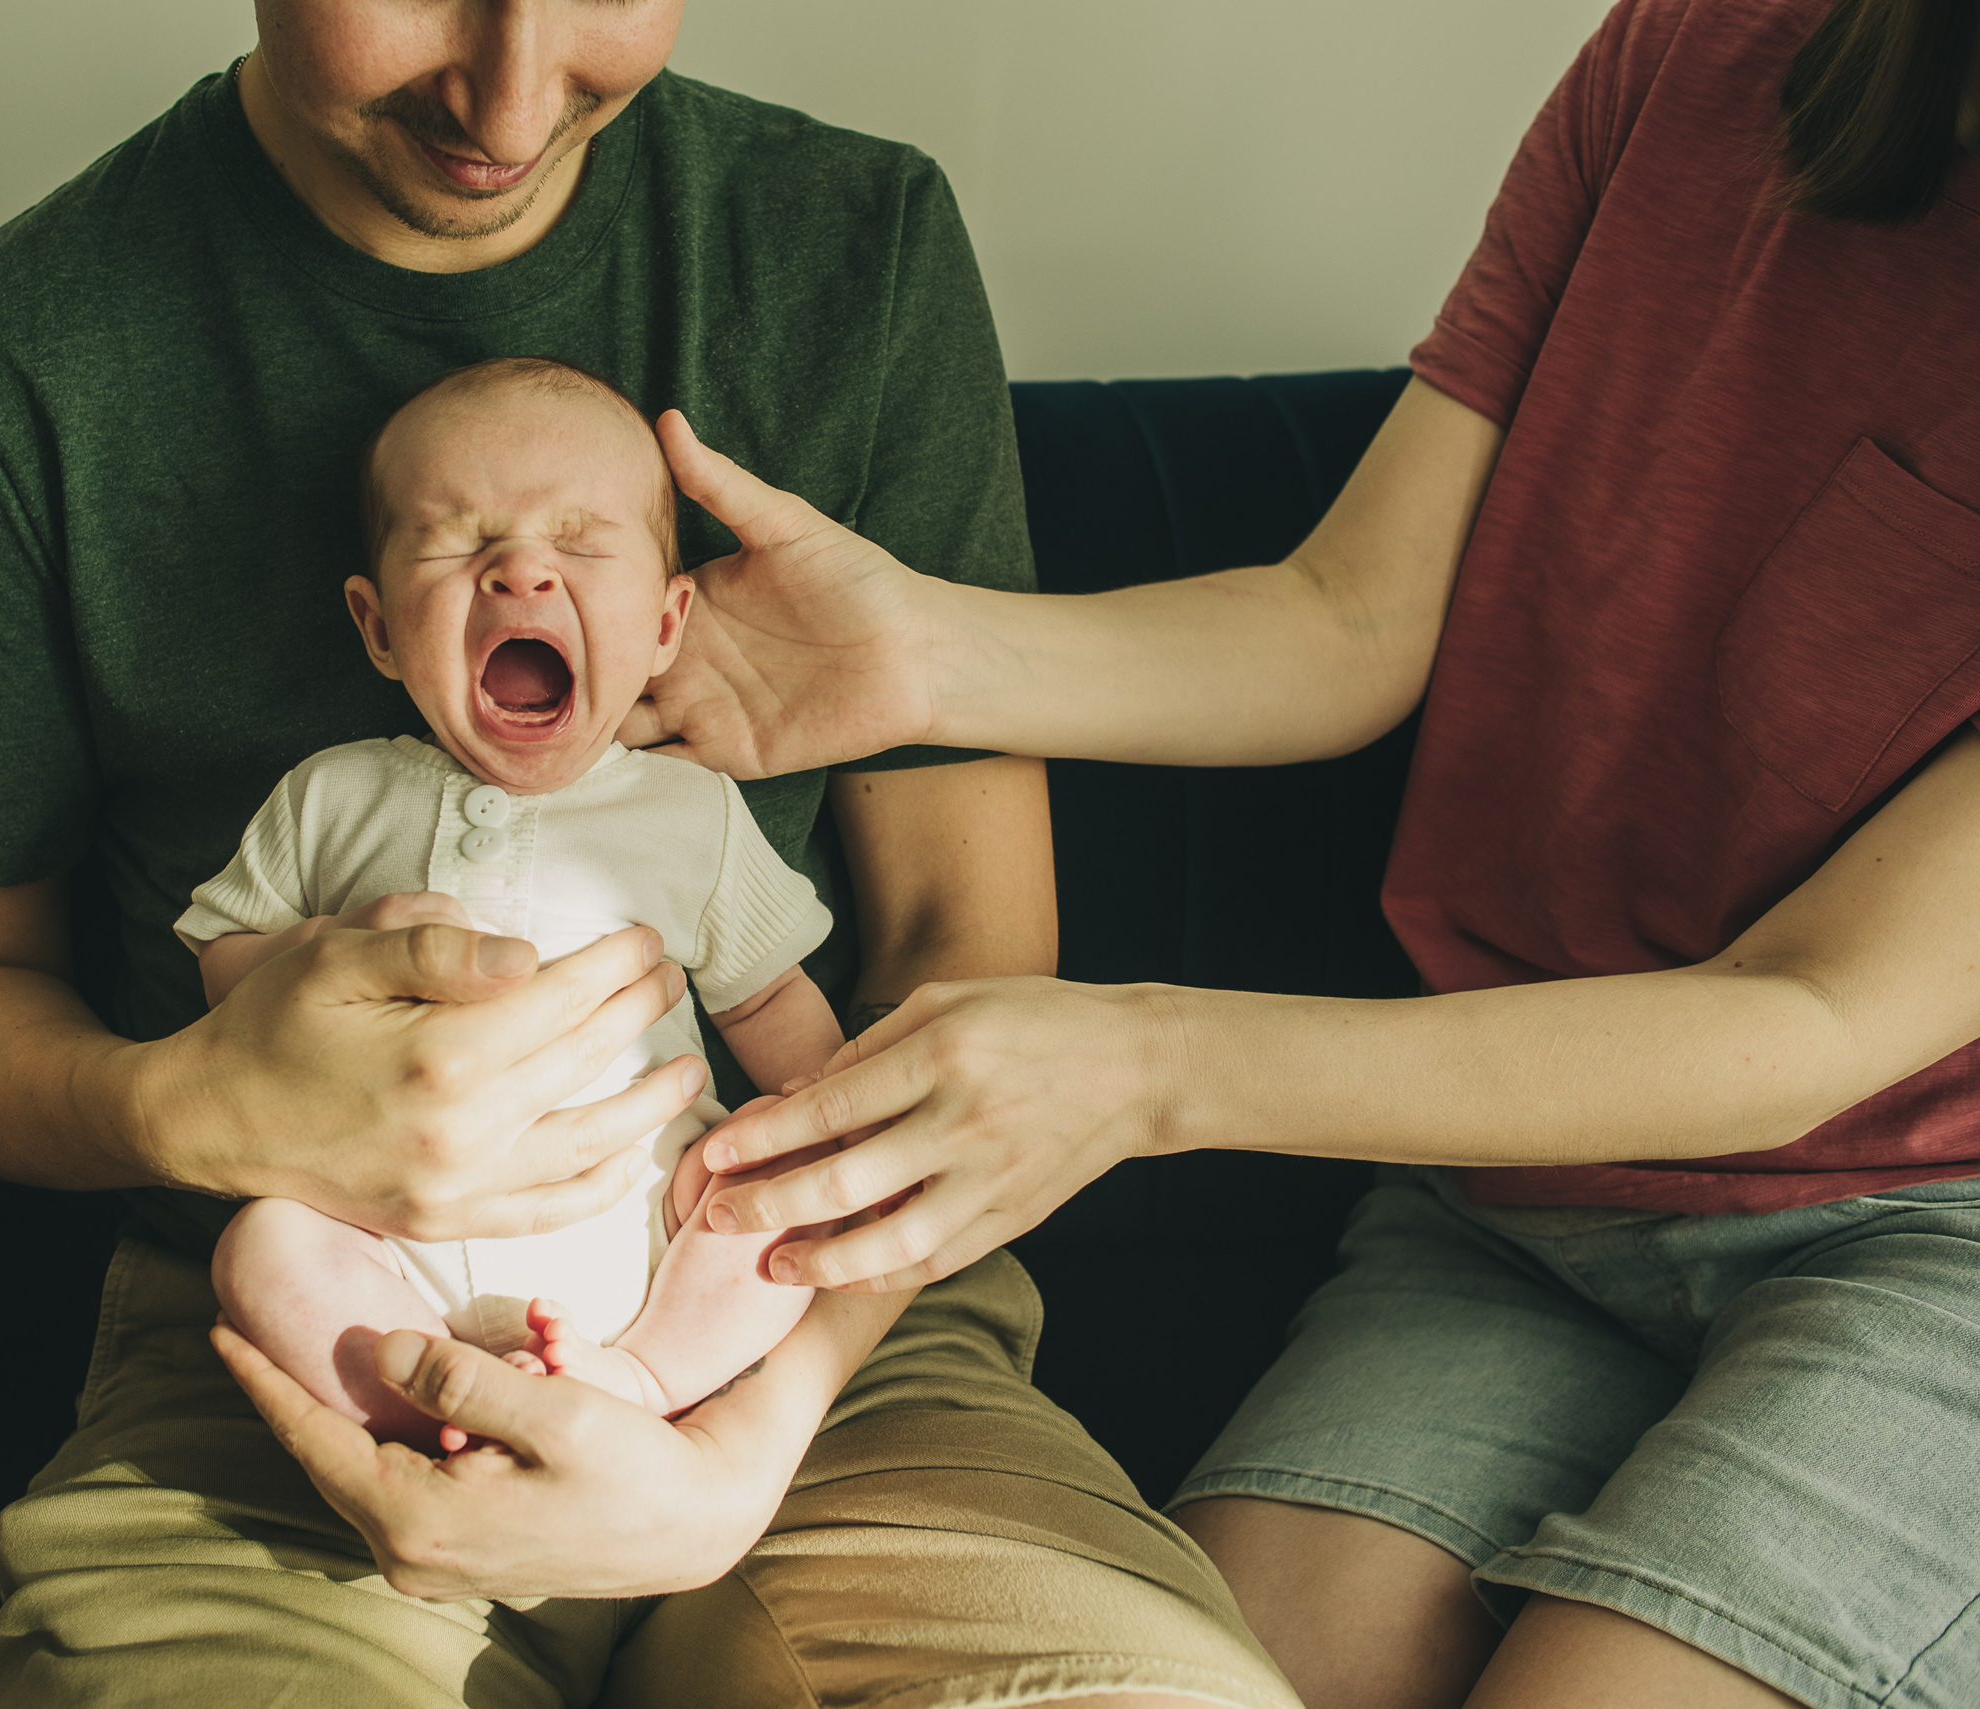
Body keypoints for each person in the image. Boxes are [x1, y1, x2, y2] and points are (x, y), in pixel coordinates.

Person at [0, 2, 1290, 1705]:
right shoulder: (18, 344)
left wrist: (747, 1419)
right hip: (303, 1357)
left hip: (833, 1336)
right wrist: (198, 1099)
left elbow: (961, 970)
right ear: (373, 622)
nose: (513, 98)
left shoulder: (853, 248)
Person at [585, 1, 1980, 1706]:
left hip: (1933, 1231)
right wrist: (926, 653)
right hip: (1515, 1196)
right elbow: (1352, 616)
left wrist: (1147, 1061)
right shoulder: (1695, 53)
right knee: (1204, 1674)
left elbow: (1814, 1012)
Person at [194, 358, 845, 1434]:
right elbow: (223, 961)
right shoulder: (332, 795)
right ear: (378, 626)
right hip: (381, 1235)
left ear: (667, 625)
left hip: (639, 1232)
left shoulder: (691, 811)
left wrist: (819, 1116)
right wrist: (323, 953)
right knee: (261, 1244)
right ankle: (423, 1403)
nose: (521, 573)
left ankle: (641, 1379)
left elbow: (768, 997)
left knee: (764, 1206)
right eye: (457, 542)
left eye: (581, 543)